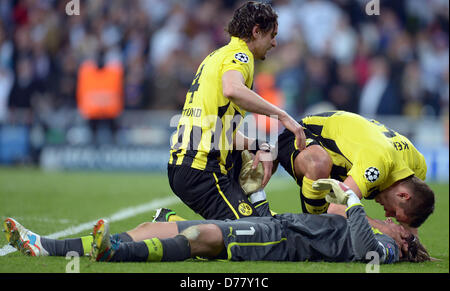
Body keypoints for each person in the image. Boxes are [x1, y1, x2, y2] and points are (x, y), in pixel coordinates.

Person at [3, 179, 431, 263]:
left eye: (400, 225)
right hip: (276, 227)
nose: (392, 220)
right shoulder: (378, 229)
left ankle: (113, 251)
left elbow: (364, 252)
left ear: (405, 240)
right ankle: (45, 245)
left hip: (279, 244)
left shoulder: (388, 248)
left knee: (201, 234)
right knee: (157, 228)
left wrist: (355, 203)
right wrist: (258, 193)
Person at [167, 1, 305, 221]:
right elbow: (232, 89)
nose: (275, 43)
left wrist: (257, 145)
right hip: (202, 169)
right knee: (252, 236)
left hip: (185, 164)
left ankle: (168, 223)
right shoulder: (241, 56)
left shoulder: (216, 56)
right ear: (256, 31)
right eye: (272, 35)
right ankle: (168, 225)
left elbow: (218, 129)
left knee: (248, 229)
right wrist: (282, 115)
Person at [274, 110, 435, 235]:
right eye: (394, 212)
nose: (387, 213)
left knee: (340, 228)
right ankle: (311, 230)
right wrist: (383, 228)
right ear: (403, 195)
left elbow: (411, 210)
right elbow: (337, 209)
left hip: (345, 154)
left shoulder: (417, 167)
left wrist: (413, 243)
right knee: (319, 166)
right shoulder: (378, 163)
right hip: (303, 132)